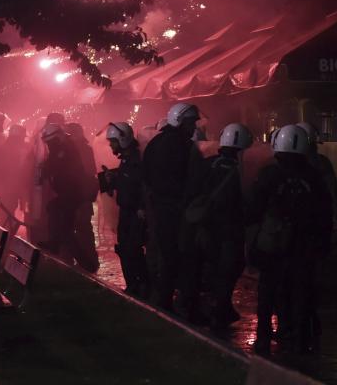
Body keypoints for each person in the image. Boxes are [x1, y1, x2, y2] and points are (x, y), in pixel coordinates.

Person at [248, 124, 332, 356]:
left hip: (272, 244)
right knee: (300, 291)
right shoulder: (313, 176)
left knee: (267, 292)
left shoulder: (269, 174)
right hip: (303, 246)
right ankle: (298, 338)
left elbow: (254, 208)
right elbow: (325, 211)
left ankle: (264, 336)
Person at [181, 122, 253, 331]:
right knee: (229, 268)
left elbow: (192, 190)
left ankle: (205, 306)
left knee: (208, 266)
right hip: (230, 229)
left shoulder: (207, 164)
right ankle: (220, 307)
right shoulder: (243, 171)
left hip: (205, 226)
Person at [142, 102, 202, 310]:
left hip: (160, 209)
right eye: (190, 122)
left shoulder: (156, 143)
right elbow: (194, 179)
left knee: (166, 255)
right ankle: (181, 304)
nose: (194, 127)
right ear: (179, 121)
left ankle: (164, 299)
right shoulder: (183, 147)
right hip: (177, 210)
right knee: (182, 256)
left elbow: (146, 177)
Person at [40, 122, 98, 271]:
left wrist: (47, 169)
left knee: (69, 230)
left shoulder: (67, 149)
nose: (49, 144)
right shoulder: (63, 147)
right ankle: (56, 245)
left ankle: (88, 265)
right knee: (57, 214)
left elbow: (63, 167)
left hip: (73, 193)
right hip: (70, 193)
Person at [100, 122, 149, 296]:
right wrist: (113, 179)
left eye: (113, 141)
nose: (111, 145)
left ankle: (142, 286)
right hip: (127, 212)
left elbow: (141, 185)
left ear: (123, 139)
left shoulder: (136, 161)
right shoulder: (127, 161)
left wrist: (142, 207)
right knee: (126, 249)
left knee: (132, 250)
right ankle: (135, 286)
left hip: (134, 213)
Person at [66, 122, 100, 273]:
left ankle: (89, 262)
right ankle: (88, 261)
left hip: (80, 195)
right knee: (83, 228)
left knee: (83, 228)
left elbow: (88, 171)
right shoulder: (83, 148)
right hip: (81, 195)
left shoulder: (81, 149)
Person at [297, 122, 337, 228]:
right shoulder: (322, 162)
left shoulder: (286, 164)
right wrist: (336, 216)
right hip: (319, 219)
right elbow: (333, 191)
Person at [0, 124, 31, 228]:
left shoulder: (2, 149)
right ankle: (11, 238)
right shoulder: (25, 148)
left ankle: (5, 239)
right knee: (26, 214)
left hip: (10, 187)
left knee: (6, 215)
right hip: (19, 186)